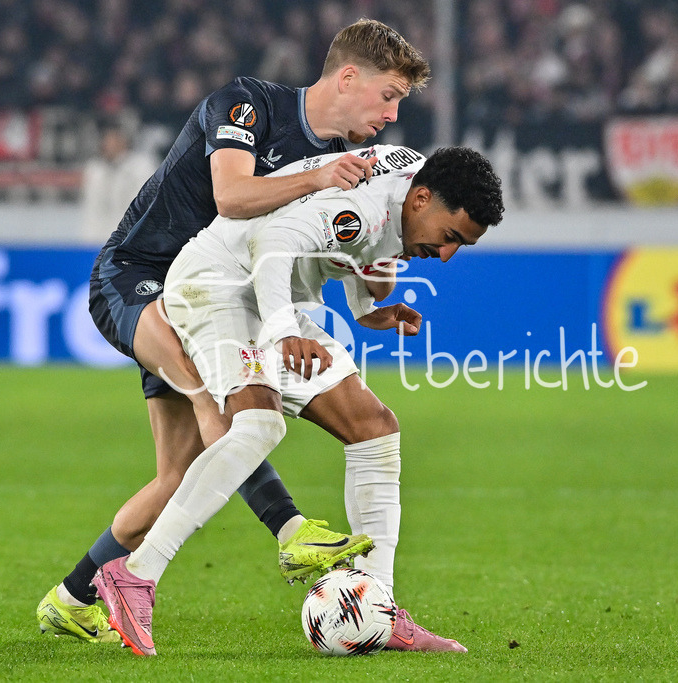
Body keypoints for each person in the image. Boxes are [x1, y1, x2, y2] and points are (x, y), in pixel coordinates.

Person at [36, 19, 430, 644]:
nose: (392, 114)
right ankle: (290, 530)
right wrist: (317, 178)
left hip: (220, 295)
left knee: (180, 474)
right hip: (139, 278)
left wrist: (368, 294)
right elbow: (231, 197)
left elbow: (316, 248)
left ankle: (72, 596)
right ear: (348, 78)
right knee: (222, 407)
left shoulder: (348, 164)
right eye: (388, 96)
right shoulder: (248, 104)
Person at [92, 144, 505, 656]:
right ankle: (136, 573)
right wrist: (283, 329)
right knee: (259, 426)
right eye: (450, 238)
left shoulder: (404, 181)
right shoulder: (368, 209)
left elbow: (358, 241)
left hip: (261, 294)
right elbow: (275, 240)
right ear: (421, 199)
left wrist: (363, 307)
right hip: (218, 286)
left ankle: (378, 606)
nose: (446, 255)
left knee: (374, 427)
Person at [80, 122, 160, 244]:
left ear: (124, 140)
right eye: (105, 139)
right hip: (98, 238)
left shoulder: (142, 166)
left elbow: (147, 205)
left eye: (113, 139)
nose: (108, 144)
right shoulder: (94, 170)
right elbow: (91, 208)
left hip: (134, 238)